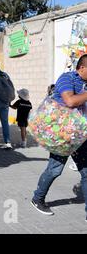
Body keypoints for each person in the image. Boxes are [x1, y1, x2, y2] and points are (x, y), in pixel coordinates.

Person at [31, 54, 87, 221]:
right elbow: (69, 101)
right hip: (62, 136)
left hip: (82, 136)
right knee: (55, 170)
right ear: (82, 67)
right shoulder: (67, 78)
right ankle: (37, 198)